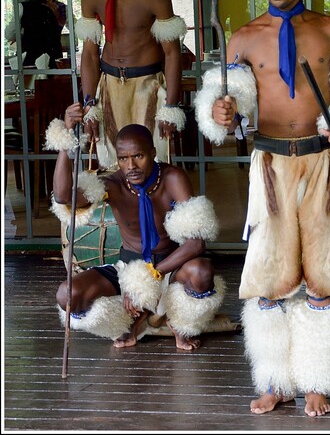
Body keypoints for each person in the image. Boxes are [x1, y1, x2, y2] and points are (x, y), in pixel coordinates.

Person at [195, 0, 330, 416]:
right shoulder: (243, 38)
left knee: (323, 272)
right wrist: (221, 111)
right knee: (269, 273)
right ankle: (276, 380)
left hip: (320, 160)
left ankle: (317, 380)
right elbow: (228, 115)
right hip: (271, 162)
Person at [46, 113, 224, 351]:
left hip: (172, 267)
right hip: (128, 267)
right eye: (123, 159)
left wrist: (148, 279)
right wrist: (64, 141)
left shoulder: (172, 178)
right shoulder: (114, 185)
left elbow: (196, 244)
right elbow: (63, 197)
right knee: (68, 295)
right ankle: (136, 319)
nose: (131, 166)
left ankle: (179, 323)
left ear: (152, 152)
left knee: (202, 272)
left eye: (138, 156)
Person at [75, 0, 187, 169]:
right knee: (111, 161)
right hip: (109, 84)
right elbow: (89, 54)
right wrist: (89, 105)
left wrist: (171, 106)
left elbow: (172, 53)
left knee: (152, 159)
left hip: (147, 84)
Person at [5, 0, 68, 68]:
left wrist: (22, 33)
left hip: (29, 61)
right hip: (54, 59)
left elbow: (9, 34)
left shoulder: (22, 7)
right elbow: (74, 29)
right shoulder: (62, 7)